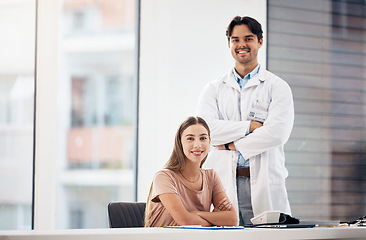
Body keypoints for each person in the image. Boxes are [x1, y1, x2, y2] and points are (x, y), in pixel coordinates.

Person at [196, 16, 294, 226]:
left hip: (265, 183)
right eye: (235, 39)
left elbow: (277, 133)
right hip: (224, 182)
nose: (241, 45)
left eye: (248, 38)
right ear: (229, 44)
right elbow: (207, 130)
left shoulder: (277, 87)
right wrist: (248, 127)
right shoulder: (213, 88)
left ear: (260, 41)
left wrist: (230, 145)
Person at [144, 116, 237, 227]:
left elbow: (232, 219)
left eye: (203, 138)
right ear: (180, 142)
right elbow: (185, 221)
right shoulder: (164, 177)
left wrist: (195, 214)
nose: (197, 145)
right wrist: (215, 219)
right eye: (190, 139)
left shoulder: (211, 176)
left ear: (209, 141)